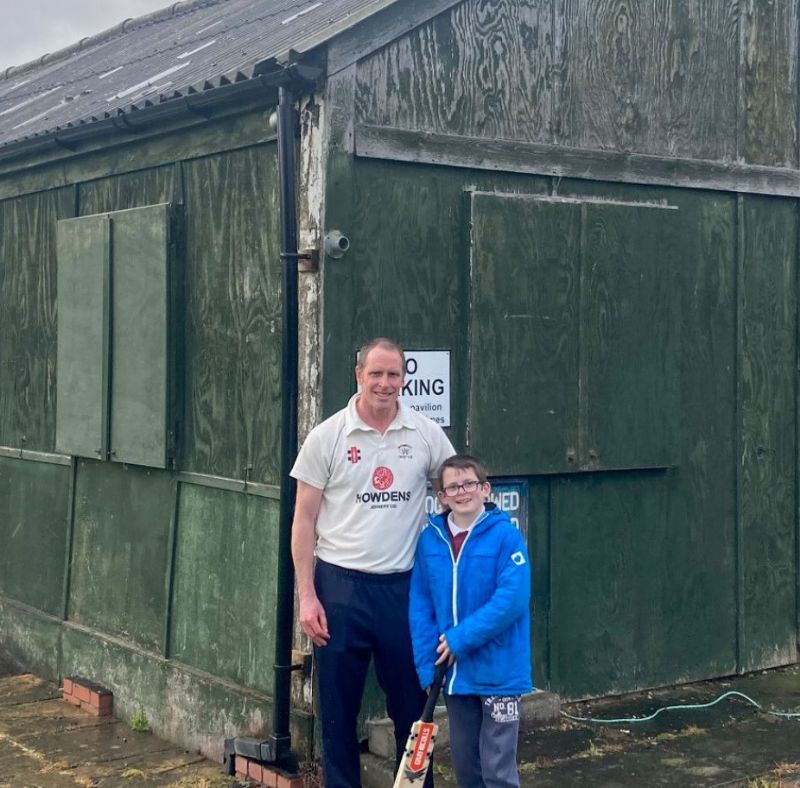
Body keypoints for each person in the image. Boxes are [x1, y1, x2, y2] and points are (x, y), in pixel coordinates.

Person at [290, 337, 455, 788]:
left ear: (404, 379)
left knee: (412, 710)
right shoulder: (328, 436)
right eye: (376, 374)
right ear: (359, 375)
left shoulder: (423, 432)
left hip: (402, 591)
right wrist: (307, 596)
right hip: (339, 588)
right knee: (338, 715)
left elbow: (457, 488)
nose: (385, 383)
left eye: (394, 375)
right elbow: (303, 521)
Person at [409, 454, 532, 788]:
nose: (462, 492)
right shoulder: (429, 539)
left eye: (469, 484)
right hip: (455, 675)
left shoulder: (506, 537)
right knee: (466, 767)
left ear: (485, 489)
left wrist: (461, 638)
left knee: (498, 770)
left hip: (500, 672)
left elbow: (512, 600)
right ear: (442, 496)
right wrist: (426, 666)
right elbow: (421, 608)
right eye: (453, 487)